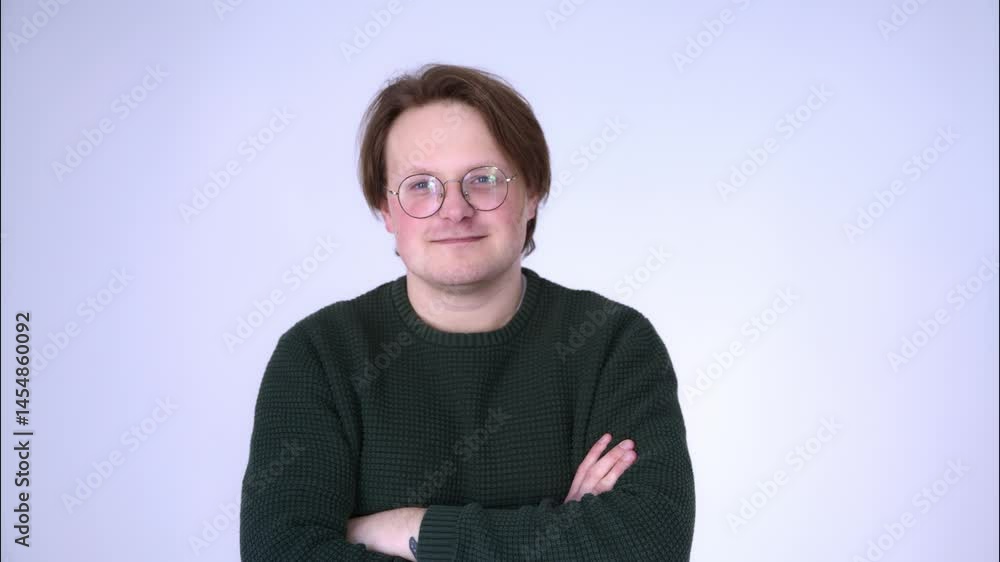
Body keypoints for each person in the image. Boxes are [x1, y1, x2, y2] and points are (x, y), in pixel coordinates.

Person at [240, 63, 695, 561]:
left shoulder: (612, 344)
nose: (454, 209)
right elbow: (280, 552)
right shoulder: (320, 355)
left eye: (483, 179)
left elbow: (650, 545)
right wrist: (561, 536)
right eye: (420, 185)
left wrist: (410, 530)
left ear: (532, 194)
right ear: (386, 210)